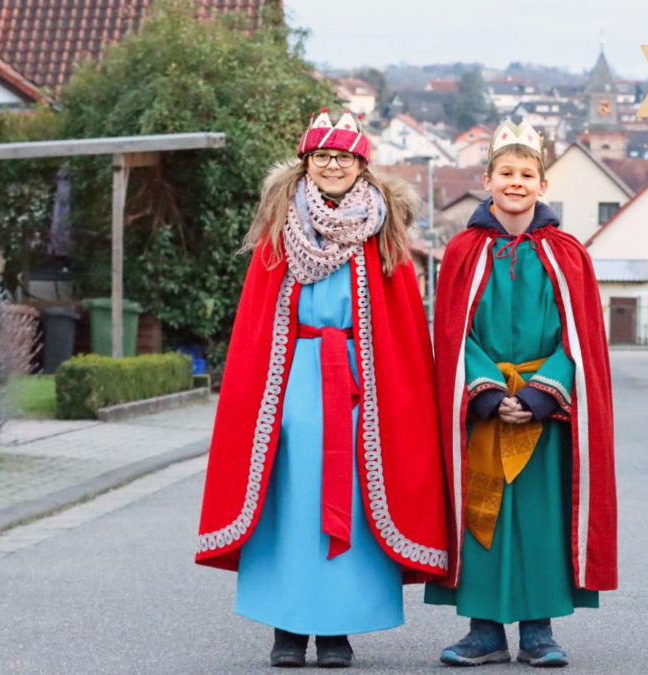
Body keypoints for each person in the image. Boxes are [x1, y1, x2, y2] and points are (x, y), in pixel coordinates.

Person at [195, 109, 448, 668]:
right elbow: (257, 323)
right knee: (289, 499)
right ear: (307, 163)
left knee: (356, 498)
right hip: (290, 383)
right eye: (322, 157)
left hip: (361, 386)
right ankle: (288, 627)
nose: (333, 167)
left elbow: (402, 325)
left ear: (361, 166)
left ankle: (337, 628)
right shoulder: (280, 230)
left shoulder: (383, 233)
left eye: (344, 158)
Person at [426, 120, 617, 668]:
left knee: (540, 517)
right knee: (482, 513)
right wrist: (487, 393)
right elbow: (454, 334)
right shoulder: (463, 252)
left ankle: (539, 630)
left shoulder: (566, 253)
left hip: (544, 412)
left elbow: (578, 336)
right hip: (484, 409)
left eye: (527, 174)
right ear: (487, 179)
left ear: (543, 184)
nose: (516, 182)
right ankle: (483, 629)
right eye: (505, 173)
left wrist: (537, 395)